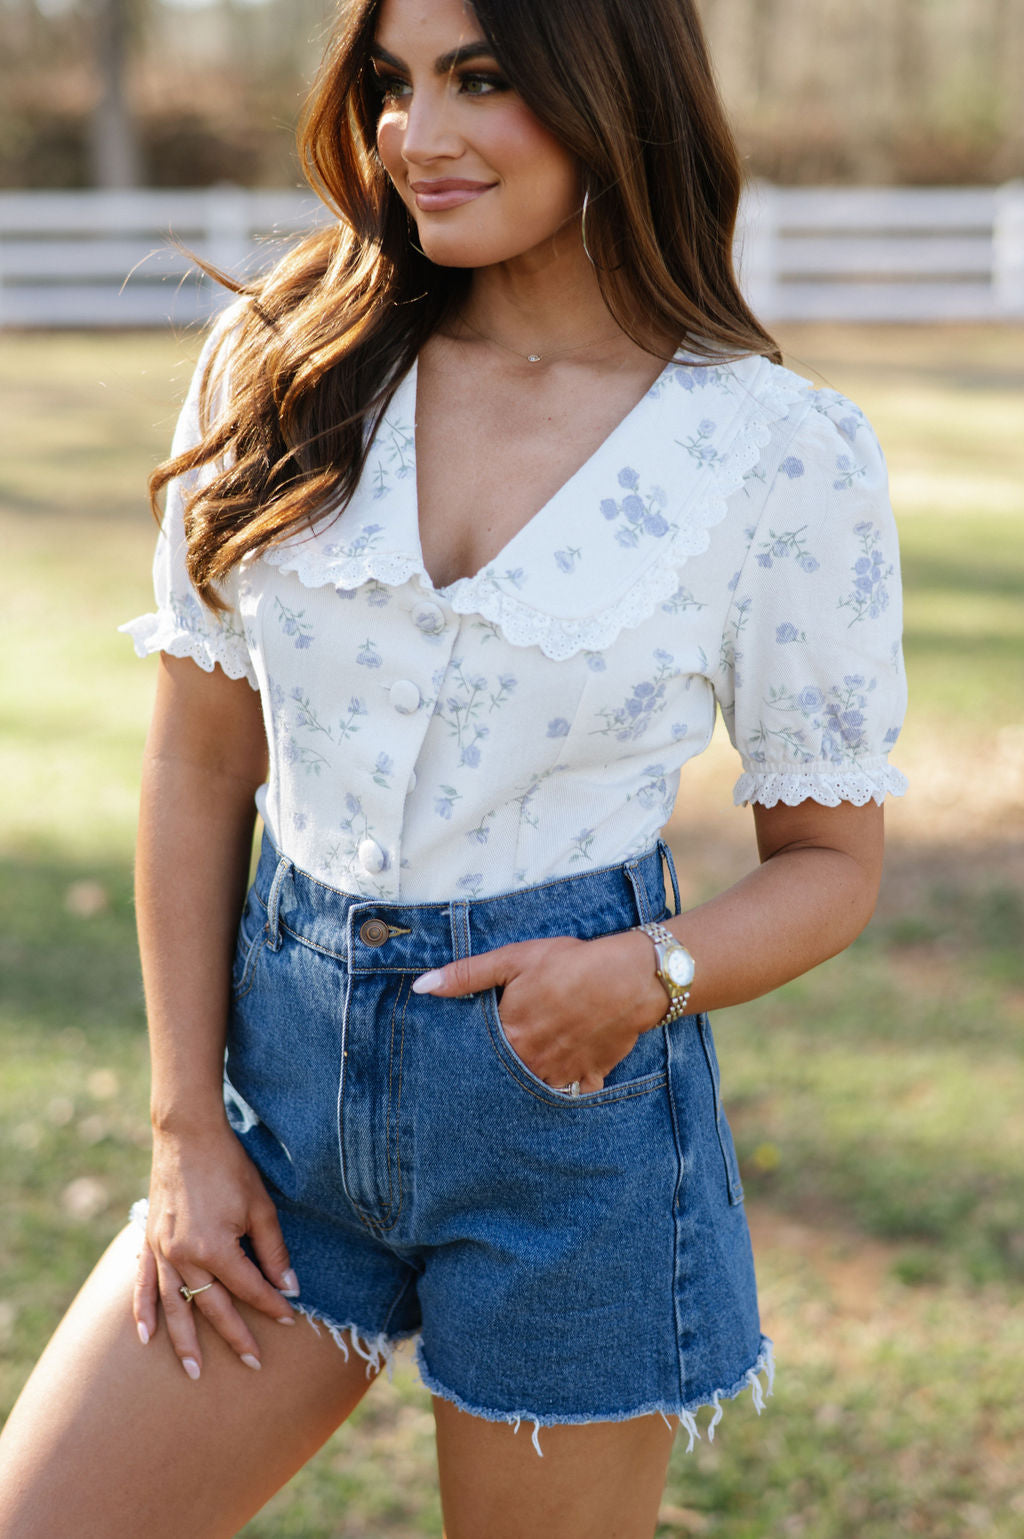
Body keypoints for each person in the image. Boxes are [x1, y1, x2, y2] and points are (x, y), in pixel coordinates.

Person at [0, 0, 908, 1534]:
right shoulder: (285, 369)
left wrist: (647, 971)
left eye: (480, 80)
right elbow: (198, 769)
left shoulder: (778, 454)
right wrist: (186, 1132)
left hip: (572, 1135)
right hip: (279, 1111)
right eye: (390, 85)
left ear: (609, 86)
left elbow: (832, 869)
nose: (414, 136)